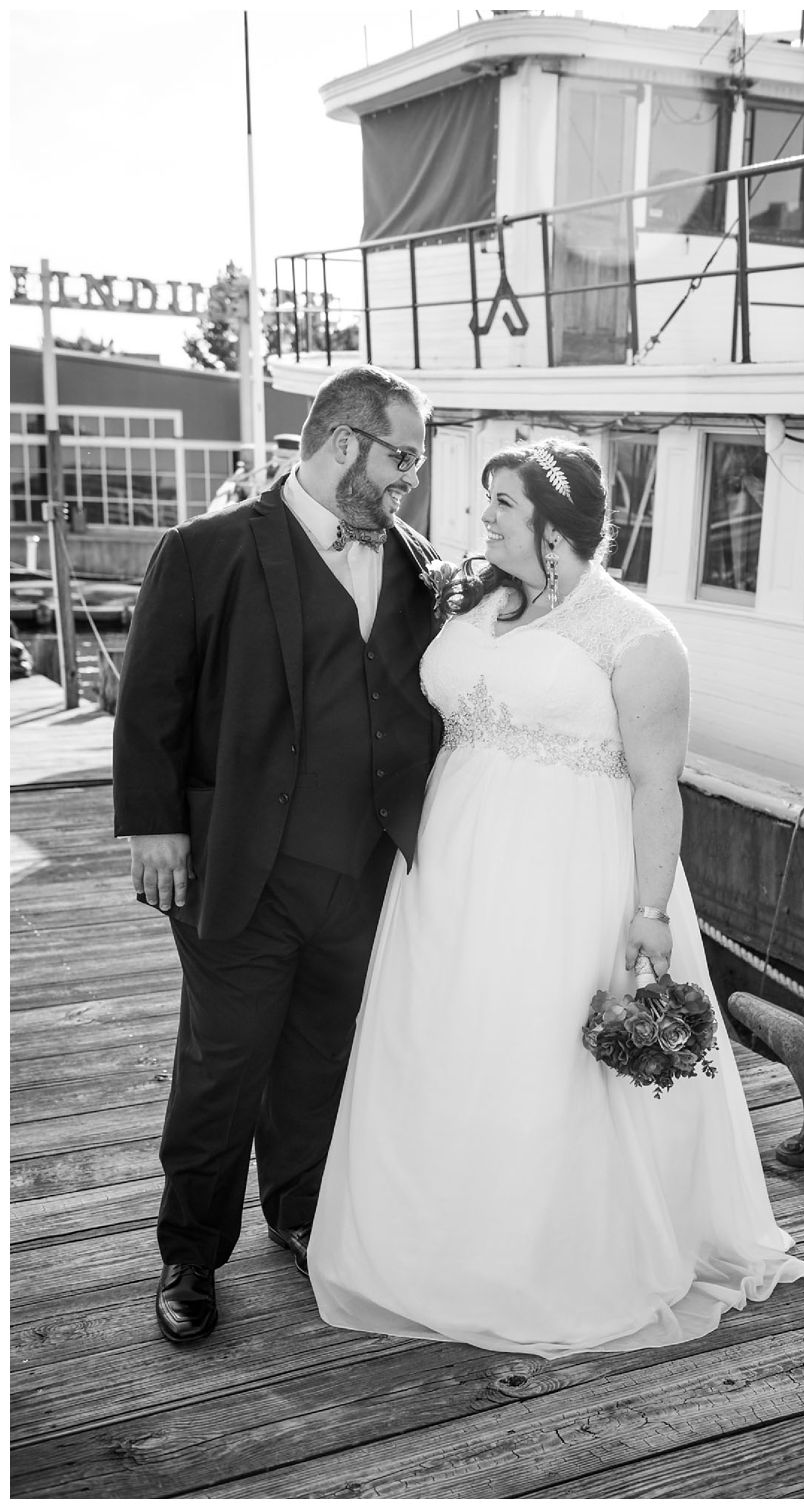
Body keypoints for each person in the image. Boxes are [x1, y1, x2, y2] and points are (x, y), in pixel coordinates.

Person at [309, 439, 804, 1356]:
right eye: (488, 500)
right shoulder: (477, 599)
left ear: (555, 522)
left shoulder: (637, 638)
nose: (486, 517)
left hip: (561, 870)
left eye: (503, 502)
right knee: (444, 1036)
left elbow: (658, 785)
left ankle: (536, 1257)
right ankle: (436, 1239)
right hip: (449, 864)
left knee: (538, 1053)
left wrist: (651, 910)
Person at [114, 364, 444, 1344]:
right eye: (402, 457)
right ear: (343, 443)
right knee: (223, 1062)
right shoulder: (203, 552)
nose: (409, 480)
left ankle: (298, 1214)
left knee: (319, 1058)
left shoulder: (422, 565)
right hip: (237, 865)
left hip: (365, 872)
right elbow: (152, 702)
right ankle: (189, 1250)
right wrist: (155, 826)